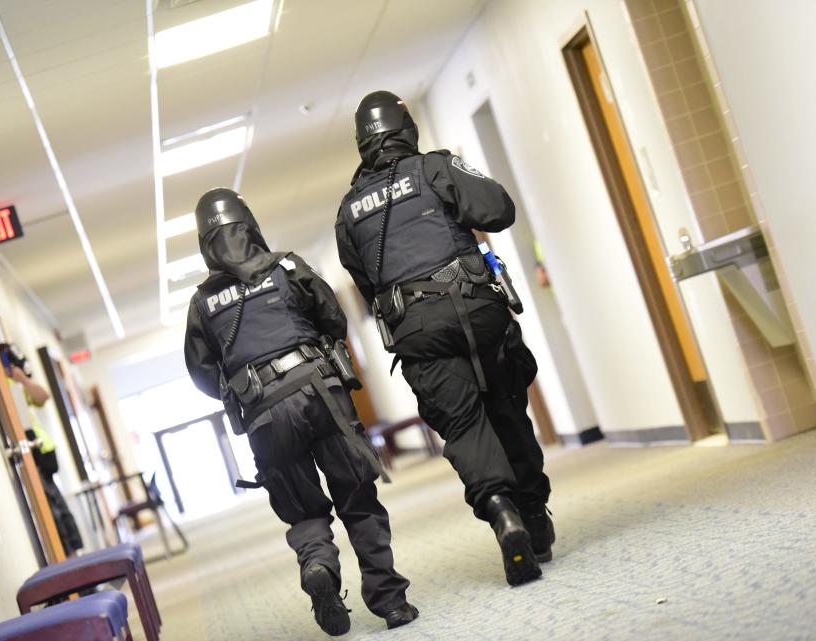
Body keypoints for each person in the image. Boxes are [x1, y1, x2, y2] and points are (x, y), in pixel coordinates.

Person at [334, 91, 555, 587]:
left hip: (417, 328)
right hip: (478, 309)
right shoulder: (435, 168)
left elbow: (366, 283)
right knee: (505, 405)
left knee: (462, 425)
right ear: (407, 129)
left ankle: (502, 512)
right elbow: (499, 209)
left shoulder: (349, 212)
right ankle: (535, 515)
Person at [183, 188, 417, 636]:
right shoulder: (287, 266)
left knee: (303, 509)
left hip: (265, 415)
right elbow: (332, 317)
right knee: (358, 497)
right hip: (321, 391)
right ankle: (391, 604)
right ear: (250, 225)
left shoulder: (201, 304)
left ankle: (319, 569)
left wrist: (244, 392)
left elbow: (201, 372)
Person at [0, 342, 84, 557]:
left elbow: (43, 396)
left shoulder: (17, 385)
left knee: (62, 512)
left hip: (43, 453)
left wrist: (22, 379)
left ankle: (78, 562)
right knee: (54, 517)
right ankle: (72, 566)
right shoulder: (1, 386)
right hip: (31, 457)